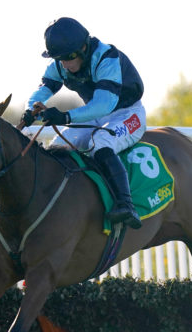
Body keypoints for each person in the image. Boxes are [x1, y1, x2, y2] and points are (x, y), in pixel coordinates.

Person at [20, 17, 145, 229]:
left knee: (101, 141)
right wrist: (31, 109)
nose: (66, 65)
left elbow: (104, 105)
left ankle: (126, 204)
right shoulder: (60, 64)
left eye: (69, 57)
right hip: (94, 115)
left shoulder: (107, 57)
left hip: (127, 114)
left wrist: (65, 117)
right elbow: (40, 92)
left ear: (84, 48)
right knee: (58, 146)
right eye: (60, 59)